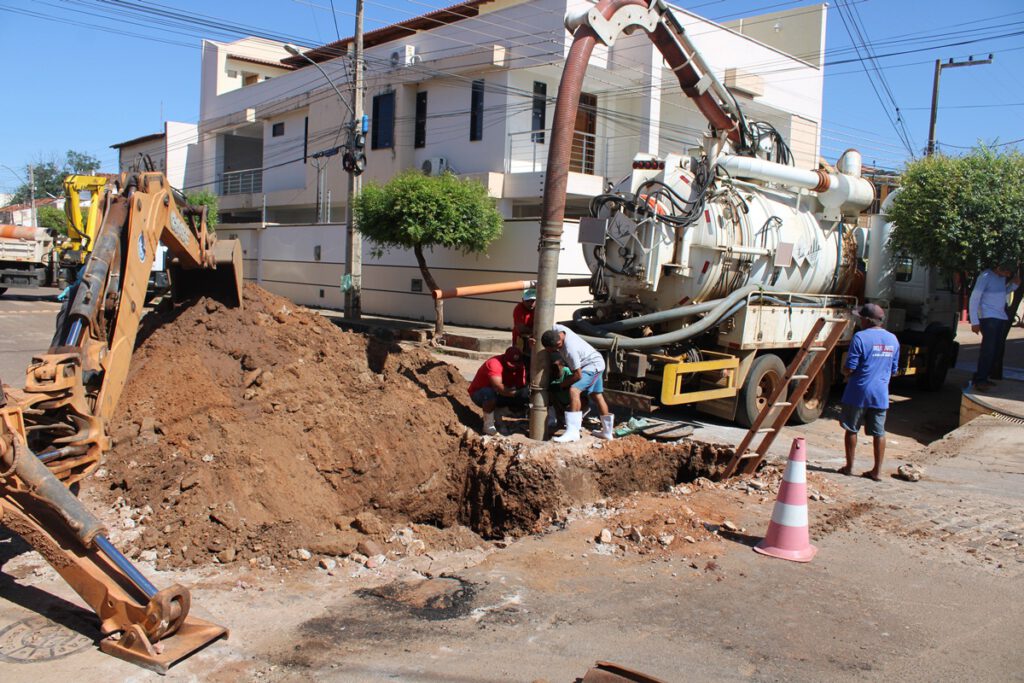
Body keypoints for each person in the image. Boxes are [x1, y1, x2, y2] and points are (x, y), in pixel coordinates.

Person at [838, 303, 900, 482]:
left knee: (851, 429)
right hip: (880, 393)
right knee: (879, 433)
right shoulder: (893, 339)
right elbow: (894, 369)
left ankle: (849, 467)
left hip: (858, 392)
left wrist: (844, 372)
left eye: (861, 318)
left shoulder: (860, 337)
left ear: (866, 320)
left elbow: (850, 366)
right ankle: (877, 472)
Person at [540, 324, 614, 442]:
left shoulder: (570, 350)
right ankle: (607, 432)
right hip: (596, 360)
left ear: (558, 344)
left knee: (574, 390)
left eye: (552, 350)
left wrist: (560, 385)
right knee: (597, 395)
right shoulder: (558, 329)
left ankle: (572, 432)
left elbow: (577, 375)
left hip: (591, 366)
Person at [968, 262, 1020, 392]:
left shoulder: (1001, 278)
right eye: (1007, 272)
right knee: (988, 350)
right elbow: (974, 298)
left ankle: (982, 377)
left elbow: (1003, 292)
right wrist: (974, 321)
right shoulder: (985, 276)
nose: (1008, 275)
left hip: (1000, 317)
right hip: (989, 317)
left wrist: (1014, 285)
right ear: (999, 268)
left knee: (996, 350)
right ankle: (980, 380)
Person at [468, 346, 528, 436]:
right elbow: (498, 387)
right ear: (504, 358)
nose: (514, 368)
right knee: (489, 393)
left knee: (525, 396)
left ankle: (499, 413)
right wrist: (516, 393)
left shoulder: (521, 367)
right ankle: (488, 426)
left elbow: (520, 385)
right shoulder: (494, 363)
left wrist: (523, 394)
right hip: (480, 394)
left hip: (501, 394)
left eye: (516, 365)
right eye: (511, 365)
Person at [512, 288, 536, 368]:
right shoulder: (519, 309)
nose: (531, 303)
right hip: (520, 339)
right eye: (528, 301)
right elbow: (521, 329)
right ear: (523, 300)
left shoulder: (539, 308)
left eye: (533, 301)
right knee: (518, 360)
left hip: (533, 339)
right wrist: (535, 331)